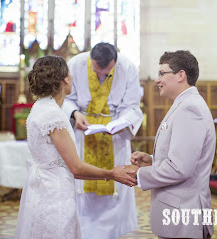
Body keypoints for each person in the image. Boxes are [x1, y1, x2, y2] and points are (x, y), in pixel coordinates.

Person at [14, 55, 137, 239]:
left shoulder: (39, 108)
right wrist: (111, 174)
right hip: (55, 196)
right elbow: (76, 168)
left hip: (43, 189)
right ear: (65, 80)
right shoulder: (53, 116)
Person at [130, 50, 216, 239]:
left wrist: (137, 175)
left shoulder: (190, 108)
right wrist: (153, 160)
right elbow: (185, 158)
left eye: (162, 73)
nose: (156, 80)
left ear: (180, 75)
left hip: (183, 216)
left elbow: (179, 168)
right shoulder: (184, 104)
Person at [62, 42, 143, 239]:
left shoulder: (128, 67)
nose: (101, 77)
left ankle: (111, 234)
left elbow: (132, 106)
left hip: (114, 136)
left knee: (114, 191)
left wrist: (121, 124)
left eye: (106, 74)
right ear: (91, 60)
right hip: (84, 131)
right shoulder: (76, 63)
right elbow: (64, 98)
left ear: (115, 62)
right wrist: (74, 113)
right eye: (97, 72)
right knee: (82, 192)